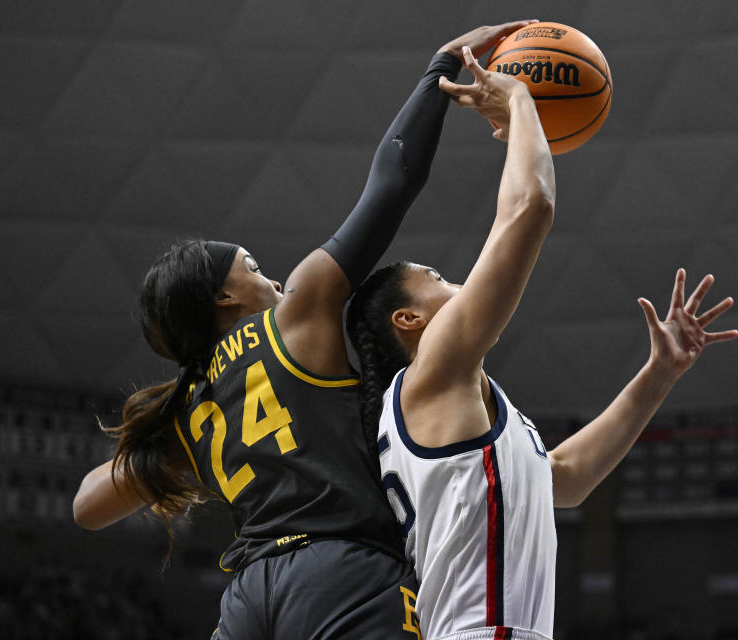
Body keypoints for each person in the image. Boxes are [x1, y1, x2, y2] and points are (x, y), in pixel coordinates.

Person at [71, 22, 538, 640]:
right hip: (341, 570)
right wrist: (438, 72)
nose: (271, 278)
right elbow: (394, 180)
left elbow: (86, 507)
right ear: (225, 296)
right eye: (254, 268)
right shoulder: (296, 312)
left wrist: (164, 452)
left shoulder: (189, 409)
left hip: (246, 599)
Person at [346, 47, 738, 640]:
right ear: (408, 321)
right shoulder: (430, 371)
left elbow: (568, 476)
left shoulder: (457, 405)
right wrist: (523, 100)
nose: (458, 282)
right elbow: (530, 207)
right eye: (437, 279)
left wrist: (659, 371)